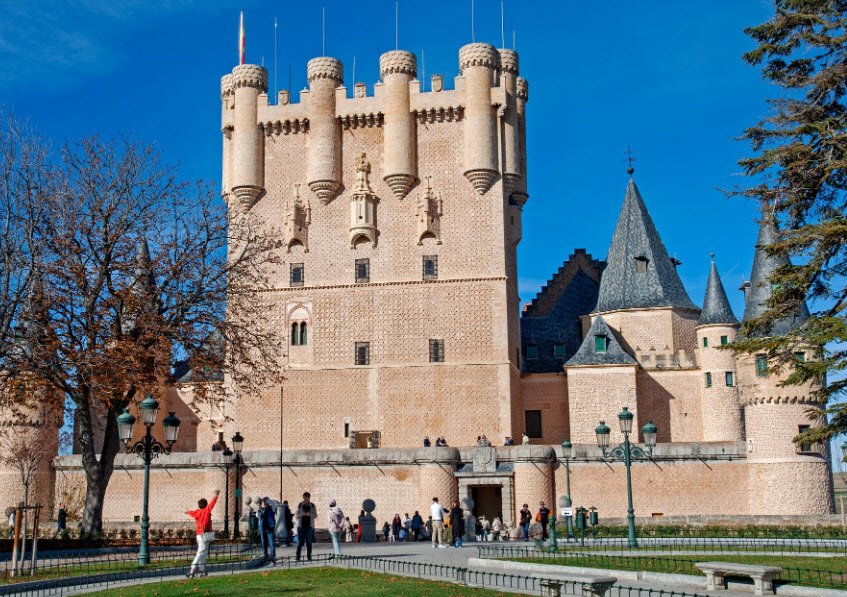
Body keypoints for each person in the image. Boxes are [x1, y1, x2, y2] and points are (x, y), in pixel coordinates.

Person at [185, 489, 220, 578]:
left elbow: (191, 513)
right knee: (201, 552)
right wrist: (216, 495)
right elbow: (212, 503)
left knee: (203, 553)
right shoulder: (207, 510)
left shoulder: (197, 512)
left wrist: (187, 511)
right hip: (205, 535)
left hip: (199, 535)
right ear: (205, 505)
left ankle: (202, 571)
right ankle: (192, 571)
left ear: (199, 505)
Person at [295, 492, 317, 561]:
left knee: (309, 542)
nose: (307, 499)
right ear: (303, 497)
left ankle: (309, 556)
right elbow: (296, 515)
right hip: (301, 526)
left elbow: (315, 515)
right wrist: (302, 514)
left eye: (308, 497)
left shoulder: (312, 505)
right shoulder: (299, 505)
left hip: (309, 527)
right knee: (300, 542)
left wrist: (309, 514)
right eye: (306, 497)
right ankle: (298, 557)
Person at [258, 497, 277, 564]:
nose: (265, 503)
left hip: (270, 527)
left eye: (266, 501)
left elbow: (273, 503)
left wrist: (266, 500)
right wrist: (260, 507)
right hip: (263, 528)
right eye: (264, 502)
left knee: (271, 543)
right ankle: (265, 555)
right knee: (264, 543)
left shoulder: (272, 508)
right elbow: (258, 516)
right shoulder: (262, 509)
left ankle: (272, 557)